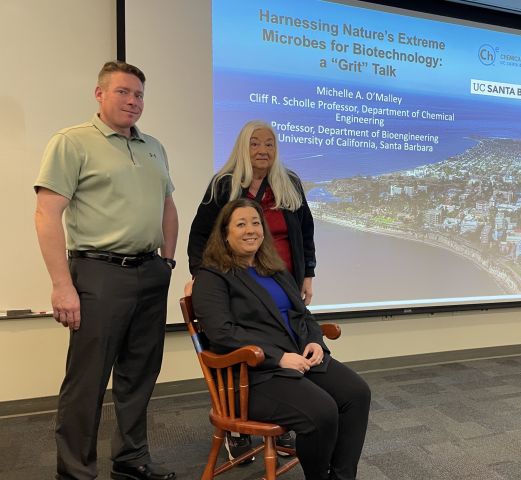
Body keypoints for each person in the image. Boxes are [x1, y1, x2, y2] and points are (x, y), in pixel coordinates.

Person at [34, 61, 178, 480]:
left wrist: (167, 261)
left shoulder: (154, 146)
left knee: (139, 374)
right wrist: (62, 285)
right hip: (98, 274)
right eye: (123, 92)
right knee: (87, 382)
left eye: (139, 95)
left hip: (150, 272)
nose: (133, 102)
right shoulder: (71, 142)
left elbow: (168, 206)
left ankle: (132, 460)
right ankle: (76, 472)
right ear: (99, 94)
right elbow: (46, 214)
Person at [191, 199, 370, 480]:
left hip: (298, 359)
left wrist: (315, 341)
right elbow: (222, 335)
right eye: (241, 224)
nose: (251, 230)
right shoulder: (212, 276)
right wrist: (279, 358)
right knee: (321, 412)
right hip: (253, 376)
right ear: (225, 233)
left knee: (357, 394)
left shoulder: (273, 268)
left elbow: (302, 314)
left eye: (256, 222)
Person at [187, 120, 316, 459]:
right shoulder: (224, 184)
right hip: (237, 283)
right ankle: (236, 429)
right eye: (255, 144)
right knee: (239, 347)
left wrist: (308, 275)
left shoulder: (289, 184)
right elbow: (200, 235)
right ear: (243, 148)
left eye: (270, 144)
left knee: (285, 349)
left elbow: (305, 233)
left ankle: (288, 420)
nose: (263, 150)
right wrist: (202, 278)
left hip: (281, 282)